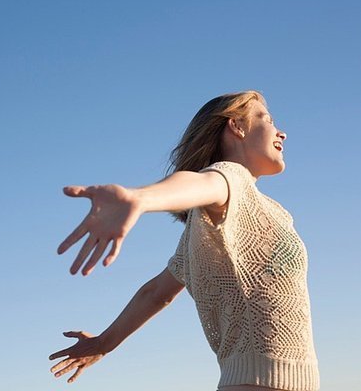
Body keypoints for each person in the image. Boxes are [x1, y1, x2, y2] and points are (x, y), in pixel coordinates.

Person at [49, 91, 320, 391]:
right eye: (267, 120)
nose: (281, 131)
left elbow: (156, 293)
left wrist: (104, 341)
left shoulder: (235, 223)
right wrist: (140, 198)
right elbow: (204, 181)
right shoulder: (230, 178)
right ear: (237, 127)